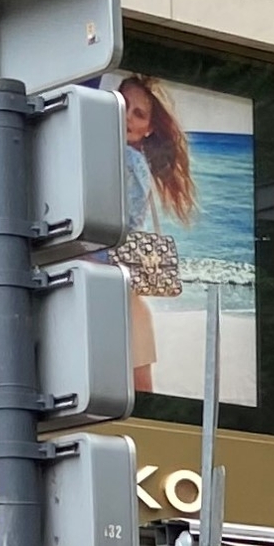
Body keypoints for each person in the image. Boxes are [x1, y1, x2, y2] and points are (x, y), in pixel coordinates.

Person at [114, 75, 195, 396]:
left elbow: (118, 222)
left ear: (149, 127)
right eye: (125, 106)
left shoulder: (128, 159)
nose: (128, 118)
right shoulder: (128, 158)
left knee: (139, 391)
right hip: (123, 293)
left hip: (118, 293)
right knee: (139, 392)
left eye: (139, 114)